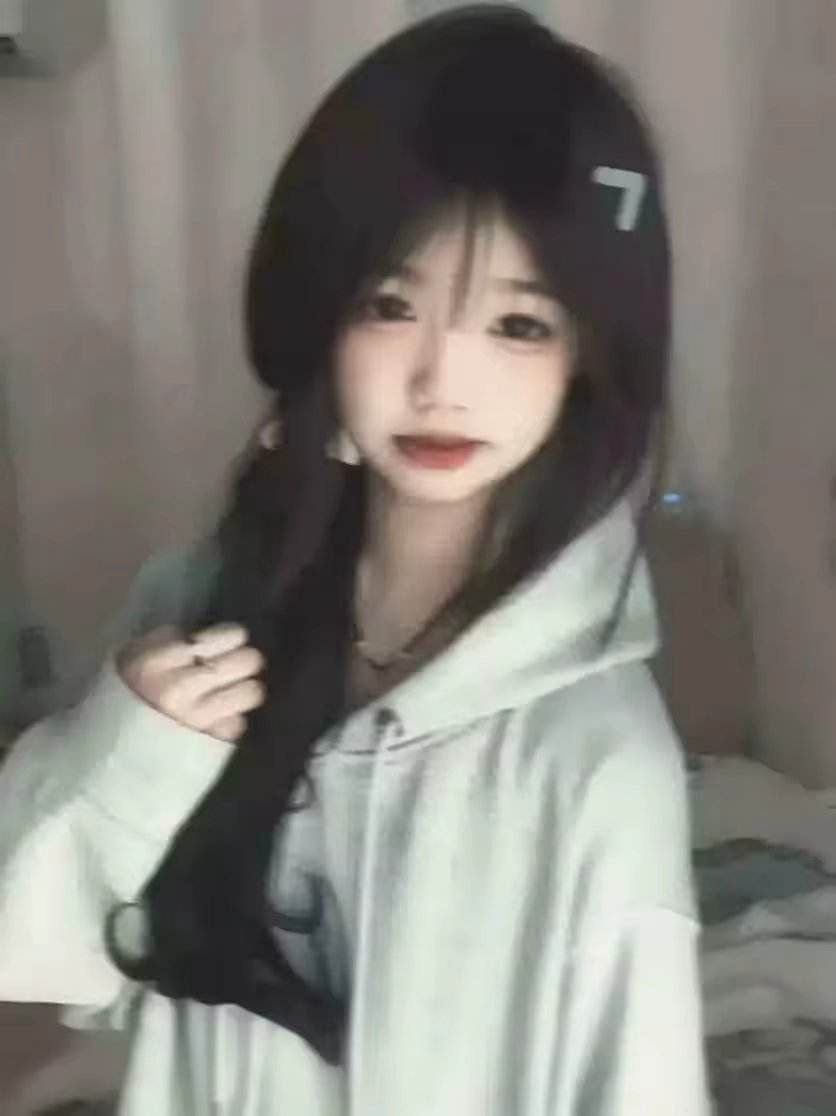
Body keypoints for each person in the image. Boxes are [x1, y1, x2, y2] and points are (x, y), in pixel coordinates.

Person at [0, 5, 711, 1113]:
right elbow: (24, 952)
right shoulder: (200, 613)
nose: (442, 381)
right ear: (322, 319)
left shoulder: (591, 758)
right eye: (391, 305)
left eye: (518, 325)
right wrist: (123, 753)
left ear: (584, 357)